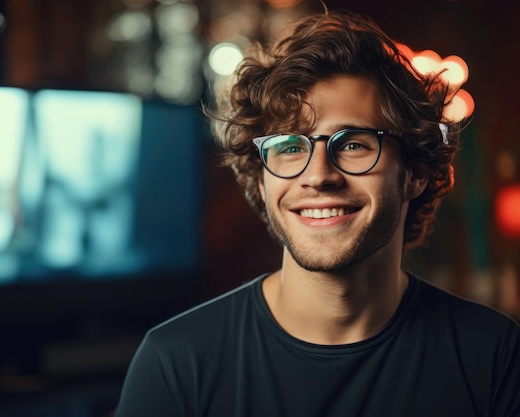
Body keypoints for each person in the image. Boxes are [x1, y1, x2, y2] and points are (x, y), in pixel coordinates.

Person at [114, 9, 520, 417]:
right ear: (261, 180)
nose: (319, 175)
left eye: (354, 144)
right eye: (290, 148)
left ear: (415, 172)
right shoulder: (176, 365)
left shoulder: (495, 357)